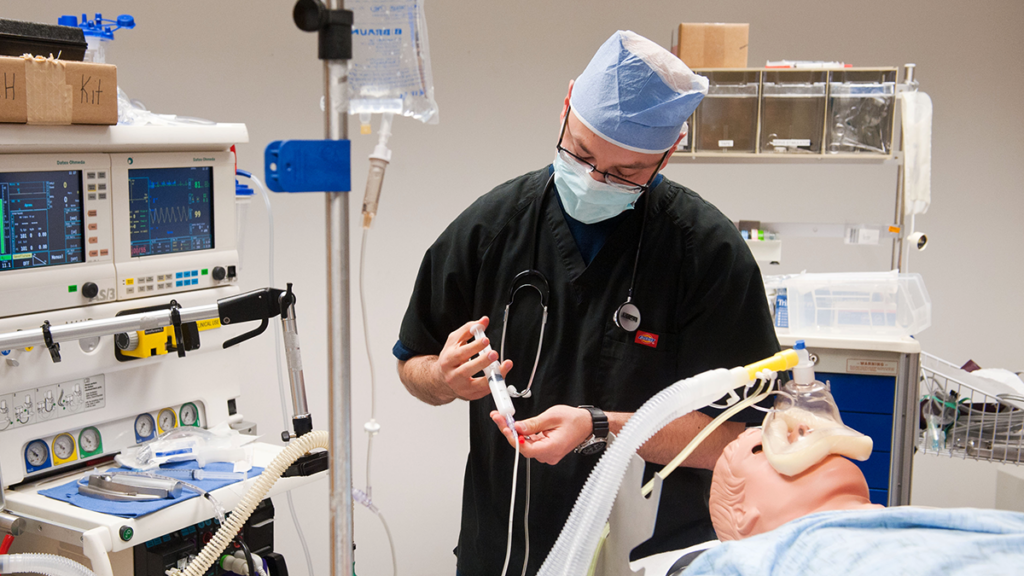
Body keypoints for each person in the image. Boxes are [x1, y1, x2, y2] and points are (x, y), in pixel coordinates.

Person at [394, 30, 779, 575]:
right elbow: (412, 364)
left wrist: (603, 426)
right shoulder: (491, 228)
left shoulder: (707, 255)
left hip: (647, 554)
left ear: (670, 152)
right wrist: (445, 377)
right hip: (502, 550)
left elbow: (742, 440)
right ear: (566, 106)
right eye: (581, 154)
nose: (596, 180)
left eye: (625, 173)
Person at [670, 427, 1024, 574]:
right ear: (746, 516)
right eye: (762, 448)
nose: (796, 433)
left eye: (800, 430)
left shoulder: (925, 519)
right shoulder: (747, 560)